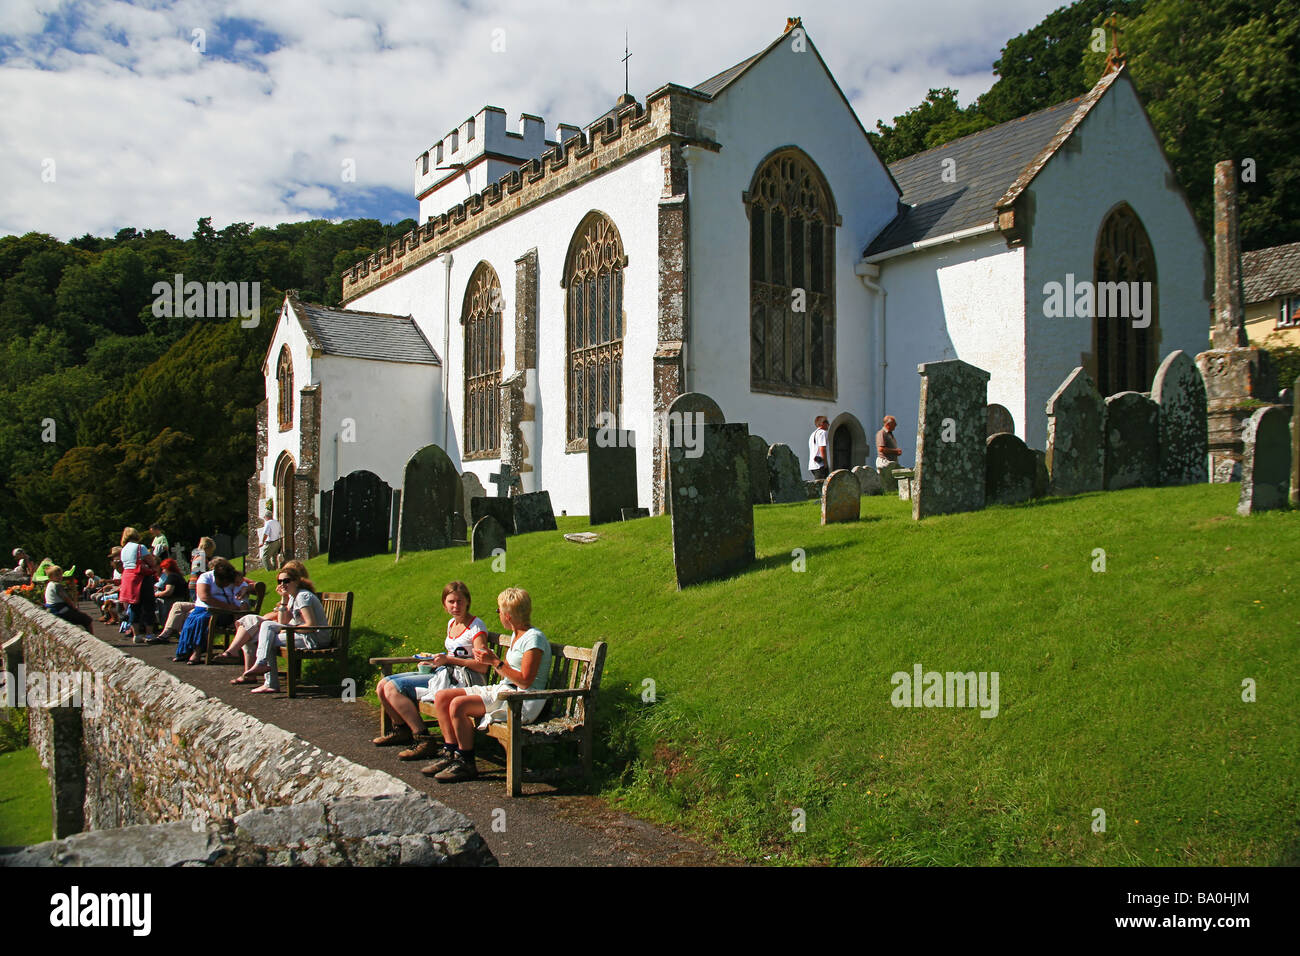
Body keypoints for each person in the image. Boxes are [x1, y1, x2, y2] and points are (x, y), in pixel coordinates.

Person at [426, 587, 552, 783]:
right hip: (507, 690)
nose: (498, 615)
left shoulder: (533, 639)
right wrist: (491, 660)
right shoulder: (516, 635)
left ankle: (466, 762)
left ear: (508, 616)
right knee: (442, 697)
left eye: (499, 611)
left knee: (458, 705)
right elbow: (510, 673)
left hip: (523, 700)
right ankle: (450, 753)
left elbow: (525, 681)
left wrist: (494, 662)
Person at [370, 581, 490, 762]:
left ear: (468, 602)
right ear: (444, 604)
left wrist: (448, 660)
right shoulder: (451, 623)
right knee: (382, 685)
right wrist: (436, 660)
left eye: (459, 601)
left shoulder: (476, 627)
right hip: (444, 673)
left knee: (392, 688)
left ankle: (423, 739)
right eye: (451, 602)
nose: (455, 606)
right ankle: (401, 729)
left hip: (463, 680)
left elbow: (483, 666)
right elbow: (451, 654)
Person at [230, 563, 327, 694]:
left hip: (314, 638)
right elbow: (283, 621)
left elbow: (311, 625)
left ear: (297, 581)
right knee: (266, 627)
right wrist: (283, 598)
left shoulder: (303, 597)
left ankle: (269, 680)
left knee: (267, 638)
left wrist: (289, 629)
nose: (282, 584)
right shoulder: (293, 596)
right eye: (279, 581)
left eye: (286, 581)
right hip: (303, 635)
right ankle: (262, 666)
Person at [173, 558, 244, 664]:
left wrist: (246, 588)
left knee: (202, 620)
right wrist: (227, 606)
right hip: (206, 608)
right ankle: (185, 651)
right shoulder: (206, 577)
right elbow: (204, 597)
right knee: (191, 621)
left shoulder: (232, 577)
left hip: (224, 614)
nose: (226, 584)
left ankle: (197, 653)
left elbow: (250, 584)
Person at [118, 527, 159, 644]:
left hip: (127, 578)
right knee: (148, 606)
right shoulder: (140, 547)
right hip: (141, 578)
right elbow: (151, 561)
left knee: (134, 606)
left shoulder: (123, 550)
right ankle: (149, 633)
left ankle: (136, 634)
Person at [148, 558, 188, 644]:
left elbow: (168, 591)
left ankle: (163, 630)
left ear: (167, 568)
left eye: (163, 568)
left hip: (172, 600)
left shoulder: (171, 577)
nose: (162, 570)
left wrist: (156, 594)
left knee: (157, 605)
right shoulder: (179, 576)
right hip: (181, 598)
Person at [44, 566, 93, 633]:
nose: (60, 576)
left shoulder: (49, 584)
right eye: (56, 575)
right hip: (59, 610)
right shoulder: (57, 585)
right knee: (86, 619)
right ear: (51, 577)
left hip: (52, 609)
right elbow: (66, 599)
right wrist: (74, 607)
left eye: (60, 574)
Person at [808, 415, 830, 479]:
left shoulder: (813, 434)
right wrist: (825, 464)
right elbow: (822, 448)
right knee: (822, 486)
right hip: (820, 465)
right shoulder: (823, 432)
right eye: (827, 422)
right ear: (823, 423)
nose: (829, 424)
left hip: (812, 465)